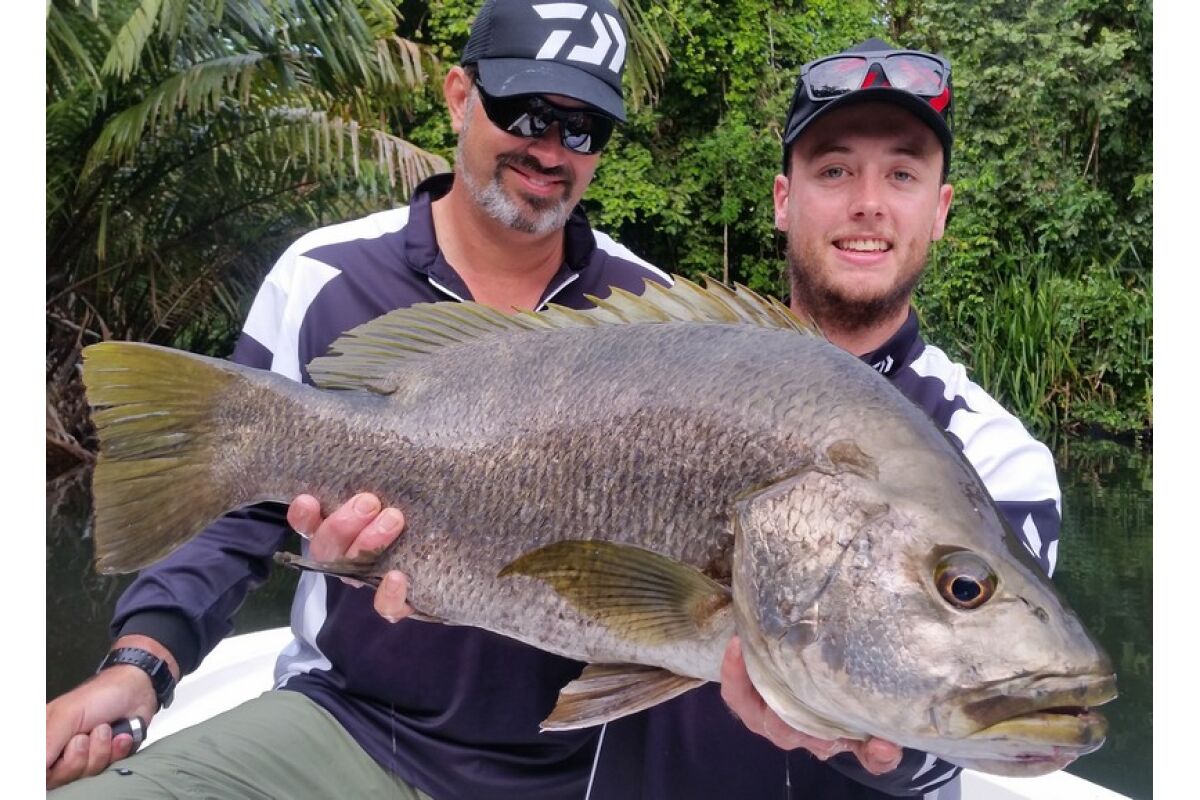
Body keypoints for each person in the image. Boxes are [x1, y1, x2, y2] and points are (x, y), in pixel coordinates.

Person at [46, 23, 1062, 800]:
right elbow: (260, 525)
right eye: (835, 170)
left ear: (944, 208)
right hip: (358, 723)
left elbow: (938, 742)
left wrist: (879, 746)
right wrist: (145, 661)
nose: (868, 204)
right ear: (783, 199)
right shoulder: (340, 278)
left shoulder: (985, 456)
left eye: (582, 127)